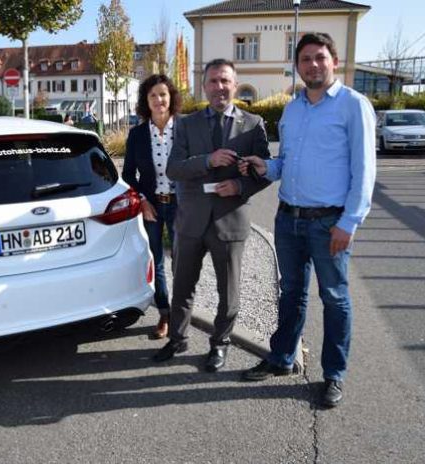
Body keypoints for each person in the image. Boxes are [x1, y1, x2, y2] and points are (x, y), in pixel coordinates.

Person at [239, 33, 376, 408]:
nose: (312, 65)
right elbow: (287, 163)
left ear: (334, 60)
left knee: (334, 298)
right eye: (305, 60)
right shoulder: (293, 108)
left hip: (328, 223)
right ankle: (282, 358)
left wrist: (349, 222)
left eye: (320, 57)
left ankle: (334, 374)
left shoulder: (354, 105)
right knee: (291, 294)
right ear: (297, 66)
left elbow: (364, 171)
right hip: (289, 220)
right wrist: (265, 167)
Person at [152, 59, 271, 372]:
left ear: (235, 84)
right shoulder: (186, 124)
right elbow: (174, 168)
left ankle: (220, 345)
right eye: (214, 81)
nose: (220, 87)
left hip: (230, 219)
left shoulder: (253, 123)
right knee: (182, 285)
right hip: (191, 219)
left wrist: (239, 185)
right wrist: (208, 160)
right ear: (204, 86)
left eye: (226, 81)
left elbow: (266, 171)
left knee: (228, 291)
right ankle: (177, 339)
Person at [122, 74, 182, 339]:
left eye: (163, 94)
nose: (159, 100)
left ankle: (182, 314)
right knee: (156, 261)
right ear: (146, 101)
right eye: (153, 95)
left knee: (182, 261)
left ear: (171, 98)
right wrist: (143, 201)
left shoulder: (185, 129)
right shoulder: (136, 135)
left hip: (181, 204)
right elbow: (127, 175)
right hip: (153, 205)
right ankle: (165, 315)